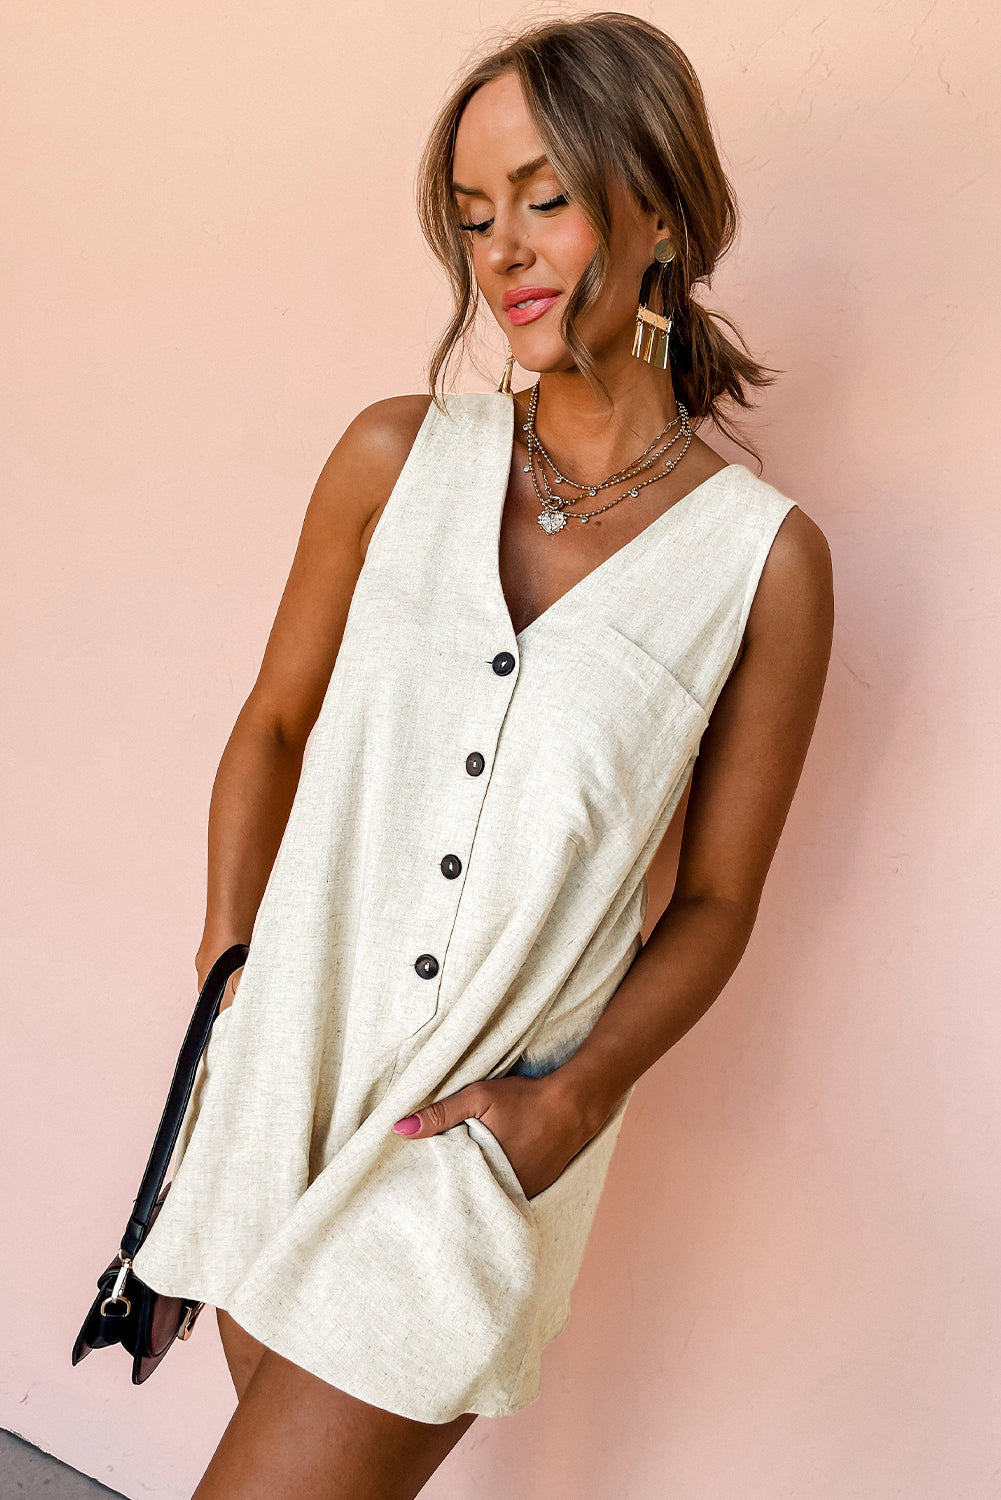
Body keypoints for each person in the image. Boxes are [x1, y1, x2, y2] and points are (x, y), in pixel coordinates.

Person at [130, 13, 834, 1498]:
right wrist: (231, 974)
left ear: (658, 211)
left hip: (473, 1138)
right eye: (471, 214)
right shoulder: (393, 458)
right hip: (286, 1084)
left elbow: (716, 902)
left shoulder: (760, 566)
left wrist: (566, 1105)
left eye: (544, 198)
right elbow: (271, 724)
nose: (501, 249)